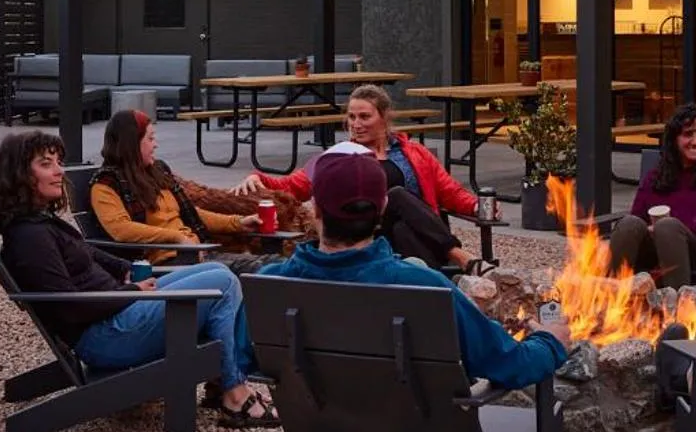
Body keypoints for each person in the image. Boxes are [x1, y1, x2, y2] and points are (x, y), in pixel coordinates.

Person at [0, 129, 276, 427]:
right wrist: (133, 290)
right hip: (107, 335)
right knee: (224, 284)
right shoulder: (30, 237)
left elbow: (88, 253)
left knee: (217, 272)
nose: (59, 171)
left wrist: (124, 270)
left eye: (58, 162)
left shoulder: (39, 221)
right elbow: (69, 305)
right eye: (46, 164)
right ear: (20, 174)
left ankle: (223, 381)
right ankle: (234, 393)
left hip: (116, 311)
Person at [254, 150, 568, 389]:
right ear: (383, 209)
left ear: (316, 210)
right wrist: (550, 342)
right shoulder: (424, 288)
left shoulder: (269, 286)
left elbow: (246, 358)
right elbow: (509, 364)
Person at [238, 84, 494, 274]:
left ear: (384, 118)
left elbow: (449, 191)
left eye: (364, 117)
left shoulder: (414, 154)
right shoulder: (339, 158)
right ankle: (459, 261)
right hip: (369, 238)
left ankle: (439, 279)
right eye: (351, 117)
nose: (356, 124)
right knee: (394, 196)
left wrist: (475, 206)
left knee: (402, 222)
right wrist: (256, 177)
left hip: (420, 237)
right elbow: (296, 187)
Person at [90, 109, 278, 272]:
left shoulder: (155, 172)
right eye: (150, 138)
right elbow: (121, 230)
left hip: (195, 254)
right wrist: (177, 238)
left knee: (273, 266)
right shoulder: (106, 185)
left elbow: (191, 212)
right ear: (131, 143)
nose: (156, 144)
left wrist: (238, 222)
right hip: (166, 264)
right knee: (261, 270)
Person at [603, 104, 696, 292]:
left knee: (667, 226)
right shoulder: (655, 177)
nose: (695, 141)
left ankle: (675, 306)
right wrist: (652, 230)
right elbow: (637, 217)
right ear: (674, 140)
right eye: (687, 134)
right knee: (629, 223)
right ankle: (610, 299)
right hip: (652, 256)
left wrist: (669, 228)